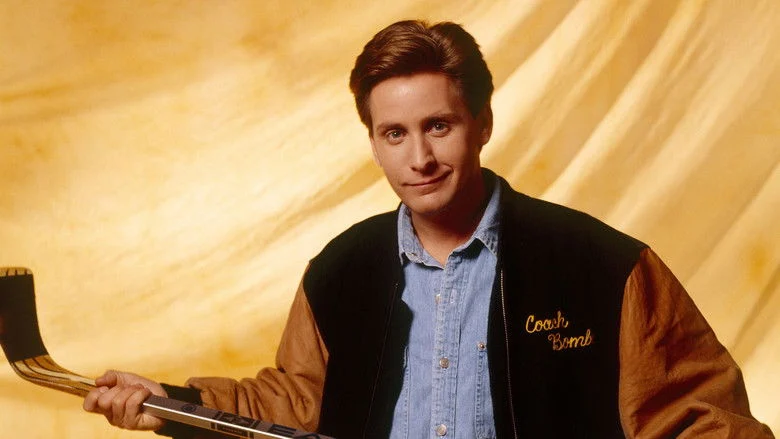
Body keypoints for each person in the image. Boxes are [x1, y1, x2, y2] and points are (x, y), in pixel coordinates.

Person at [84, 20, 774, 439]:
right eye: (395, 133)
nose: (419, 158)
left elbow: (702, 419)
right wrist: (173, 404)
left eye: (438, 125)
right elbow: (296, 402)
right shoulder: (341, 271)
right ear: (373, 141)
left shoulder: (601, 266)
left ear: (482, 124)